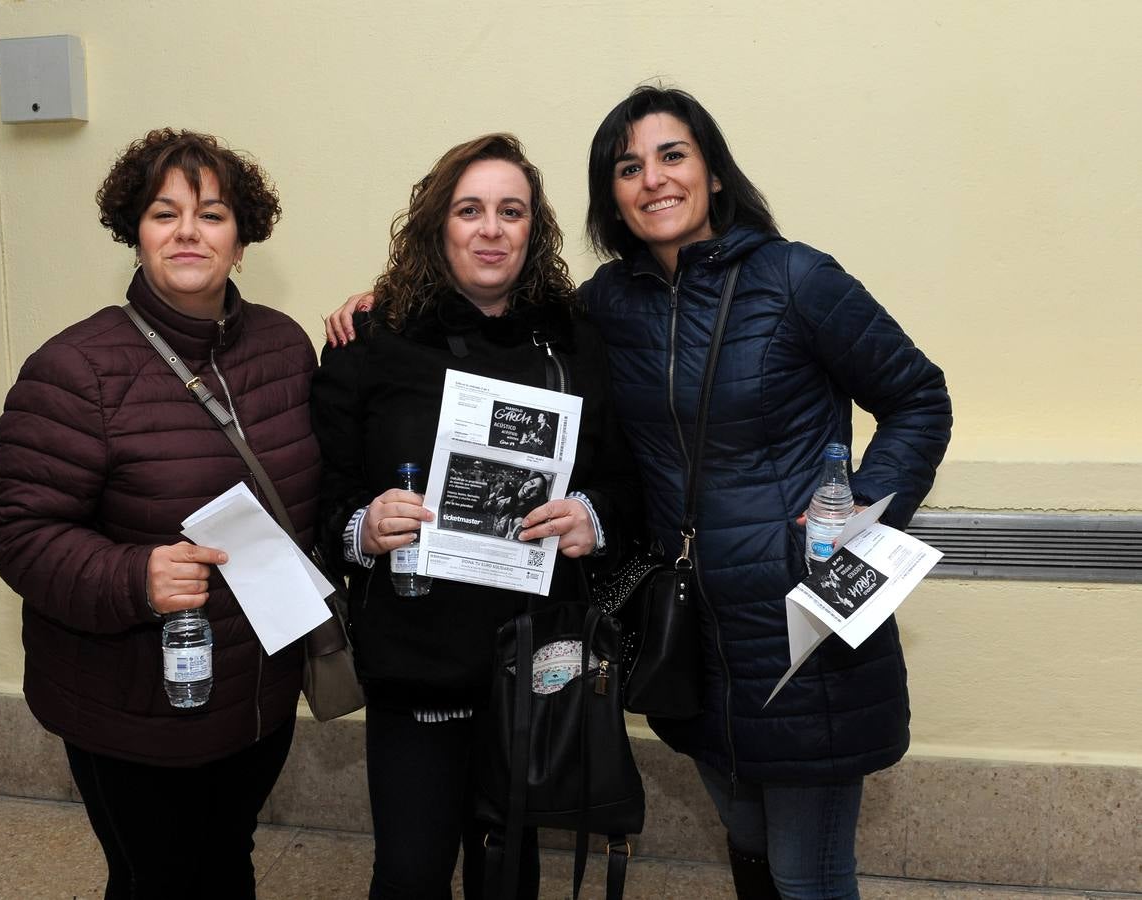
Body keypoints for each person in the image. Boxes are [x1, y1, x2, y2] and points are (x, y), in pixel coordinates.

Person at [325, 88, 952, 900]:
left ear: (714, 173)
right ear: (610, 194)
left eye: (672, 155)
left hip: (799, 619)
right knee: (749, 838)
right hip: (685, 634)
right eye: (628, 166)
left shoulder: (797, 278)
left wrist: (855, 520)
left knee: (807, 869)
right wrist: (379, 301)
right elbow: (545, 367)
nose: (652, 179)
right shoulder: (606, 307)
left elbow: (918, 398)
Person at [0, 128, 321, 899]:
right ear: (134, 236)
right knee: (158, 880)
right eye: (164, 214)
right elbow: (17, 531)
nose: (188, 232)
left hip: (256, 690)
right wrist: (134, 575)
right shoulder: (76, 369)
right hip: (134, 701)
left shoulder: (283, 346)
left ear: (243, 241)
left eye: (211, 214)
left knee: (227, 861)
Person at [310, 133, 642, 900]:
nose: (491, 229)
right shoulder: (369, 341)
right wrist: (361, 528)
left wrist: (593, 513)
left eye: (510, 211)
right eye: (469, 210)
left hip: (534, 656)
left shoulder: (574, 339)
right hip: (416, 657)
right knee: (410, 874)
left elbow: (628, 480)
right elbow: (320, 501)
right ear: (437, 226)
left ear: (534, 229)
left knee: (507, 873)